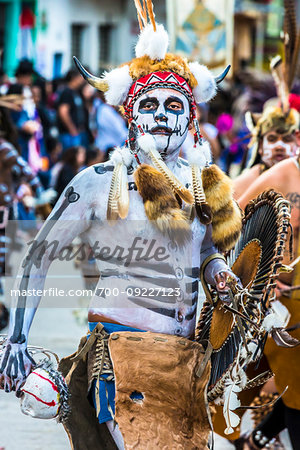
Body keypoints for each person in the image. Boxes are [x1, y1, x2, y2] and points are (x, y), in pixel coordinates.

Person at [0, 3, 242, 448]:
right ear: (132, 117)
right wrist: (16, 339)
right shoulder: (97, 184)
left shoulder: (202, 183)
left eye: (175, 105)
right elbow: (38, 256)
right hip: (124, 349)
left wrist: (219, 273)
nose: (163, 115)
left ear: (191, 119)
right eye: (150, 104)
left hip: (186, 357)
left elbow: (205, 253)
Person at [90, 91, 128, 160]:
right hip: (108, 151)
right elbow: (122, 132)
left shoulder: (99, 107)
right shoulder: (105, 110)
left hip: (105, 148)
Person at [57, 69, 88, 150]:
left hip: (76, 132)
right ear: (74, 78)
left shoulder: (76, 92)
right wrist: (72, 129)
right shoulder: (67, 92)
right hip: (69, 134)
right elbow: (63, 112)